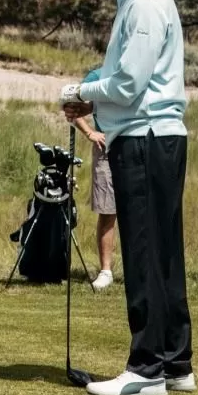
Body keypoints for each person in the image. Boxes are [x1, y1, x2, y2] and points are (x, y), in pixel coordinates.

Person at [60, 0, 194, 395]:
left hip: (145, 138)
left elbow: (128, 84)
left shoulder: (144, 2)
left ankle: (146, 369)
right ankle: (175, 363)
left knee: (143, 253)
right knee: (163, 253)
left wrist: (79, 92)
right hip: (154, 136)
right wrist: (94, 102)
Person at [72, 67, 117, 292]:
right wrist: (90, 132)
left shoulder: (134, 71)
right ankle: (105, 270)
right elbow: (73, 108)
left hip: (133, 144)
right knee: (107, 210)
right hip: (105, 147)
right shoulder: (97, 76)